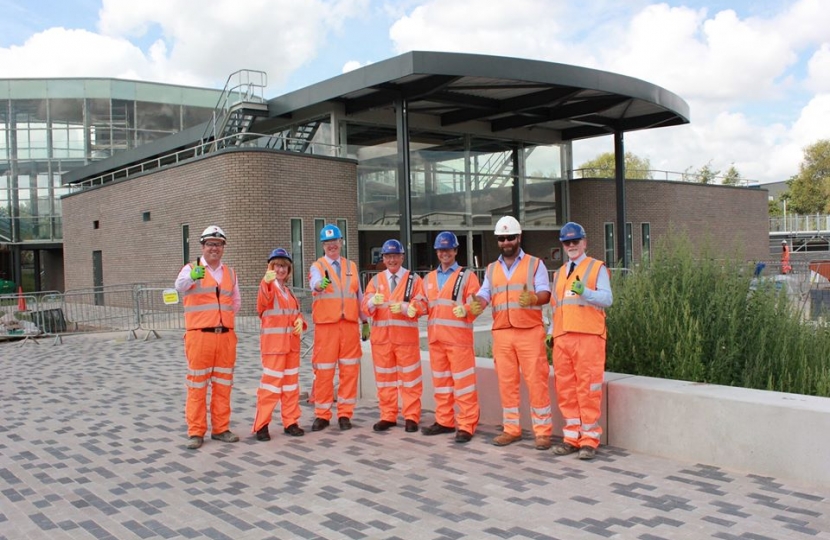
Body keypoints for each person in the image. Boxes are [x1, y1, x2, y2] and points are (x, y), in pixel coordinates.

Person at [470, 216, 553, 450]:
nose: (506, 242)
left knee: (536, 382)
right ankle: (511, 429)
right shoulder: (492, 268)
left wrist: (535, 298)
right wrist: (478, 302)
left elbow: (546, 294)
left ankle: (543, 432)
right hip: (503, 332)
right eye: (501, 238)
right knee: (507, 384)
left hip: (529, 331)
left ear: (519, 238)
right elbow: (485, 293)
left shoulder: (535, 264)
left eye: (509, 237)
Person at [548, 222, 613, 460]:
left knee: (588, 389)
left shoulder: (596, 268)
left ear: (584, 242)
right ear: (563, 245)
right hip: (563, 338)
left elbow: (607, 299)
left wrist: (585, 291)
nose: (572, 245)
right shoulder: (559, 274)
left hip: (588, 338)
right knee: (566, 389)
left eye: (576, 241)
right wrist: (551, 332)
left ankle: (589, 440)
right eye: (567, 242)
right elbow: (556, 307)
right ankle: (571, 438)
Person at [174, 225, 241, 450]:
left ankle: (221, 428)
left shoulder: (230, 273)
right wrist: (192, 277)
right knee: (197, 386)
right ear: (203, 246)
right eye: (210, 244)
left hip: (225, 338)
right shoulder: (191, 269)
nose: (215, 248)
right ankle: (196, 431)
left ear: (223, 248)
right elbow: (179, 286)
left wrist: (224, 319)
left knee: (223, 386)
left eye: (219, 244)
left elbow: (235, 302)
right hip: (199, 337)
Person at [307, 224, 369, 431]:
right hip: (327, 327)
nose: (331, 246)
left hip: (349, 326)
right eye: (327, 243)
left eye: (335, 242)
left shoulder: (351, 267)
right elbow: (314, 284)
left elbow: (358, 296)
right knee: (324, 371)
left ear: (341, 242)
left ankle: (345, 414)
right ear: (323, 245)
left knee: (349, 371)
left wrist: (365, 321)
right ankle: (322, 414)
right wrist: (319, 285)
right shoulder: (317, 266)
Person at [421, 231, 481, 443]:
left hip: (458, 341)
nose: (444, 253)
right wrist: (412, 307)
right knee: (442, 385)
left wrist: (466, 309)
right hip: (437, 340)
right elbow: (422, 302)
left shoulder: (467, 276)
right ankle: (444, 421)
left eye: (448, 249)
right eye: (441, 250)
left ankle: (466, 425)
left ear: (455, 251)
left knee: (464, 385)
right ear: (437, 252)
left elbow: (477, 303)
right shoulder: (428, 278)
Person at [362, 239, 427, 433]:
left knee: (410, 380)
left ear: (402, 257)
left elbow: (424, 305)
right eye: (388, 256)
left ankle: (411, 416)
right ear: (383, 258)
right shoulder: (375, 280)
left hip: (405, 340)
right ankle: (387, 415)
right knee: (384, 381)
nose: (392, 260)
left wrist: (407, 307)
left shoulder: (414, 280)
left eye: (395, 256)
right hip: (382, 341)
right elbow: (365, 306)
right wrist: (373, 301)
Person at [252, 248, 307, 441]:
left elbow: (294, 313)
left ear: (289, 269)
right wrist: (266, 281)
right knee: (270, 388)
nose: (280, 269)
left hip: (291, 348)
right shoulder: (267, 286)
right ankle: (262, 425)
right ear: (270, 267)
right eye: (276, 265)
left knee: (291, 387)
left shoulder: (288, 293)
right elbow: (262, 302)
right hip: (274, 347)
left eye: (284, 266)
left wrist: (301, 320)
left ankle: (291, 422)